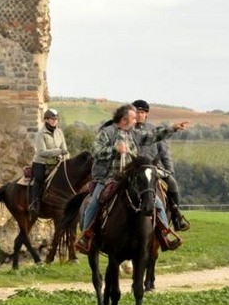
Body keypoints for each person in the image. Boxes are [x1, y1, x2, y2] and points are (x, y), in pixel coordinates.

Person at [75, 104, 189, 254]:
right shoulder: (106, 133)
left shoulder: (133, 133)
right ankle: (86, 236)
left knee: (157, 201)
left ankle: (164, 234)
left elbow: (152, 136)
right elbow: (96, 152)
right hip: (108, 179)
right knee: (94, 203)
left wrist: (172, 128)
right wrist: (114, 149)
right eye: (134, 118)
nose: (136, 121)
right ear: (124, 119)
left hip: (129, 179)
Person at [132, 99, 190, 231]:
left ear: (146, 114)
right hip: (134, 171)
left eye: (142, 112)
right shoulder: (128, 130)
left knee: (173, 183)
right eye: (137, 112)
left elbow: (165, 153)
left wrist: (169, 171)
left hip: (154, 169)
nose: (139, 115)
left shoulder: (154, 130)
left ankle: (176, 217)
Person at [28, 108, 70, 216]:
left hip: (57, 162)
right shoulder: (40, 134)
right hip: (41, 162)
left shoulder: (59, 132)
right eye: (52, 119)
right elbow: (42, 152)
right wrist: (59, 152)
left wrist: (66, 156)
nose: (55, 121)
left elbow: (65, 149)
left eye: (56, 119)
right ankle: (35, 203)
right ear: (46, 120)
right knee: (39, 179)